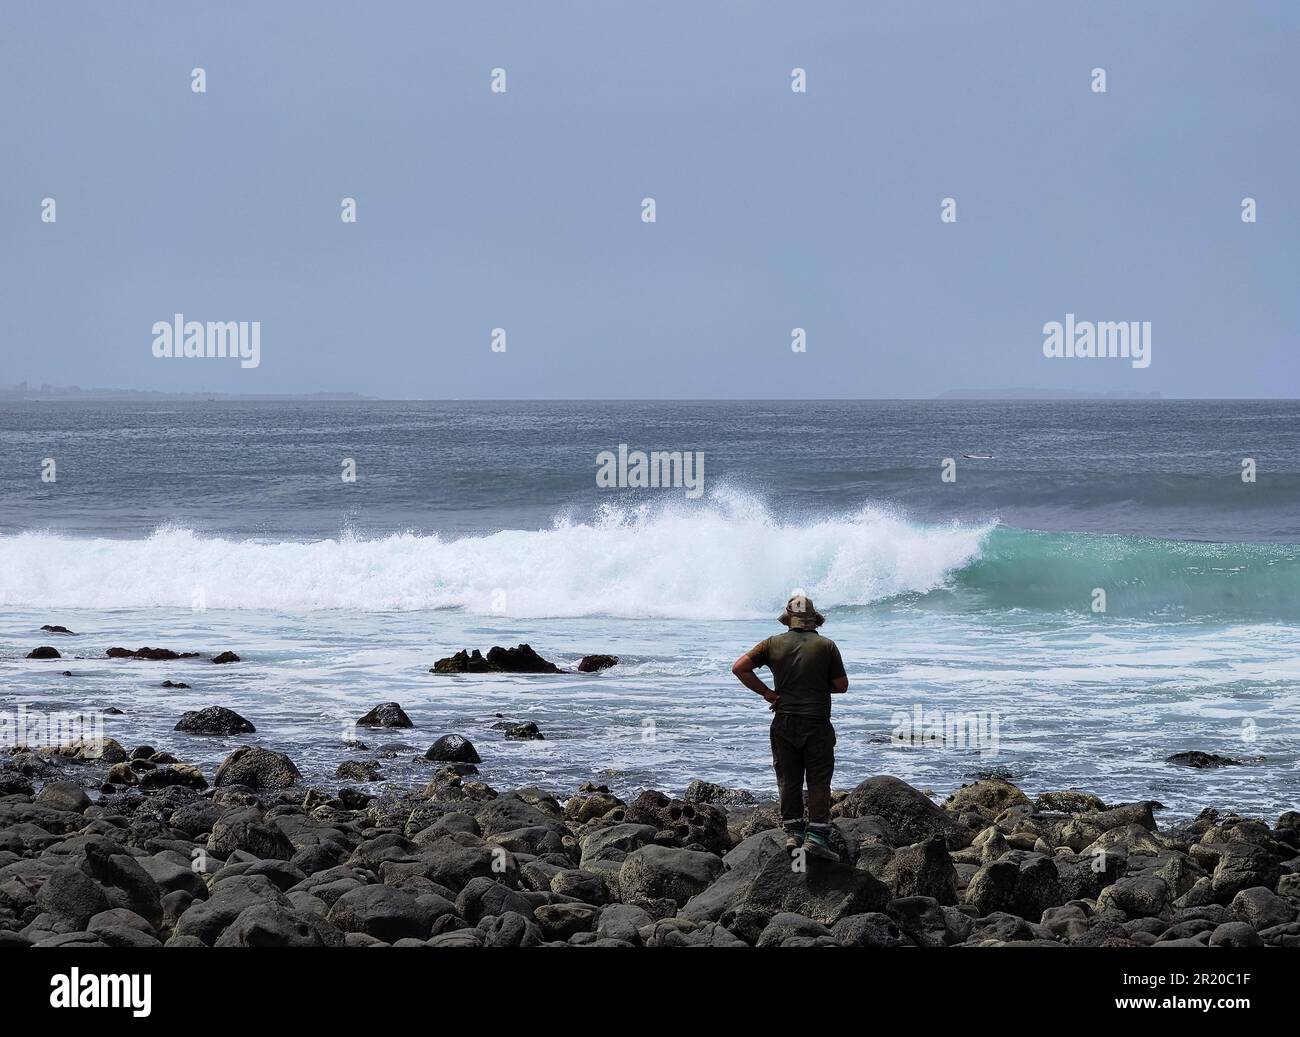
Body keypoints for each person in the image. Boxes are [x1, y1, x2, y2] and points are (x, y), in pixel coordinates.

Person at [731, 594, 848, 861]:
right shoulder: (826, 646)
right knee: (818, 780)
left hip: (784, 723)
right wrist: (818, 686)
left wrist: (768, 694)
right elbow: (841, 686)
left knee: (788, 779)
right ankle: (817, 838)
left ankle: (794, 833)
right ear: (814, 619)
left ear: (788, 620)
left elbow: (739, 668)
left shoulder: (772, 644)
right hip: (817, 723)